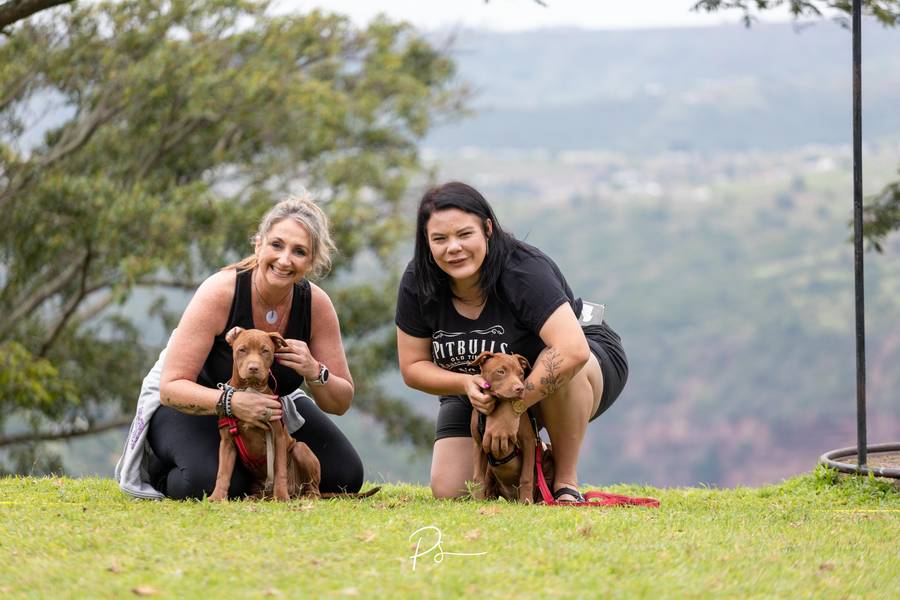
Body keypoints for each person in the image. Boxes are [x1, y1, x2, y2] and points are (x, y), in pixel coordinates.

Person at [117, 194, 363, 500]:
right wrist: (232, 402)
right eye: (276, 245)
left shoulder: (316, 305)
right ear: (258, 245)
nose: (285, 260)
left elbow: (340, 402)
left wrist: (315, 371)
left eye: (299, 251)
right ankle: (164, 467)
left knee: (344, 475)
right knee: (207, 483)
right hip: (190, 402)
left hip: (267, 406)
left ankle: (254, 477)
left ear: (311, 262)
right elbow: (171, 388)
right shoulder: (221, 292)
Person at [395, 182, 628, 502]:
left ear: (487, 229)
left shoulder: (522, 269)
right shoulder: (418, 282)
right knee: (452, 489)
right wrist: (466, 384)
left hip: (584, 357)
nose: (453, 248)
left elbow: (572, 350)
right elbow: (413, 367)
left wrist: (513, 409)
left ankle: (565, 483)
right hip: (483, 384)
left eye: (464, 234)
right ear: (426, 241)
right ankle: (534, 462)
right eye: (440, 239)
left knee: (560, 363)